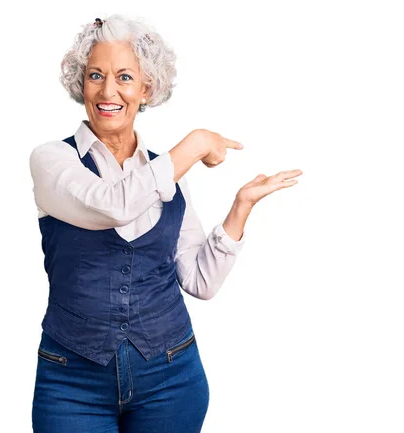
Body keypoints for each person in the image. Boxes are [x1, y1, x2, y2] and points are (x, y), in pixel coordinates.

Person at [28, 14, 302, 433]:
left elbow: (200, 281)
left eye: (124, 77)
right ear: (80, 83)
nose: (108, 91)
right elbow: (112, 206)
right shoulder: (52, 161)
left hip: (171, 379)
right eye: (95, 75)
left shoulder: (167, 172)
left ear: (146, 88)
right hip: (71, 382)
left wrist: (240, 208)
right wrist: (193, 145)